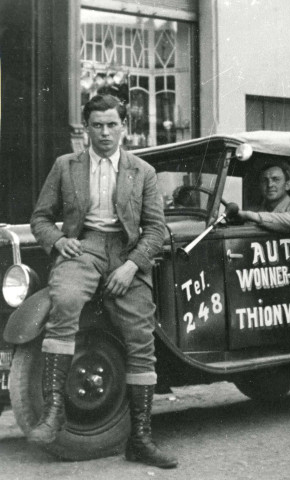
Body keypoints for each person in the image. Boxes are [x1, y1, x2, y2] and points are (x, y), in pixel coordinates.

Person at [29, 94, 177, 468]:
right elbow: (41, 219)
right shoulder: (65, 166)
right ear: (86, 129)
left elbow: (157, 229)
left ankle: (141, 439)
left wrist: (133, 266)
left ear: (124, 127)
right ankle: (53, 412)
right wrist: (59, 241)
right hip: (85, 247)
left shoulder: (141, 171)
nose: (105, 133)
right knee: (63, 301)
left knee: (141, 333)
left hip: (126, 254)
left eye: (112, 124)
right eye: (97, 125)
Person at [237, 159, 290, 232]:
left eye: (276, 179)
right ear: (259, 186)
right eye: (264, 180)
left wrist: (252, 216)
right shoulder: (254, 211)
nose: (270, 185)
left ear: (287, 185)